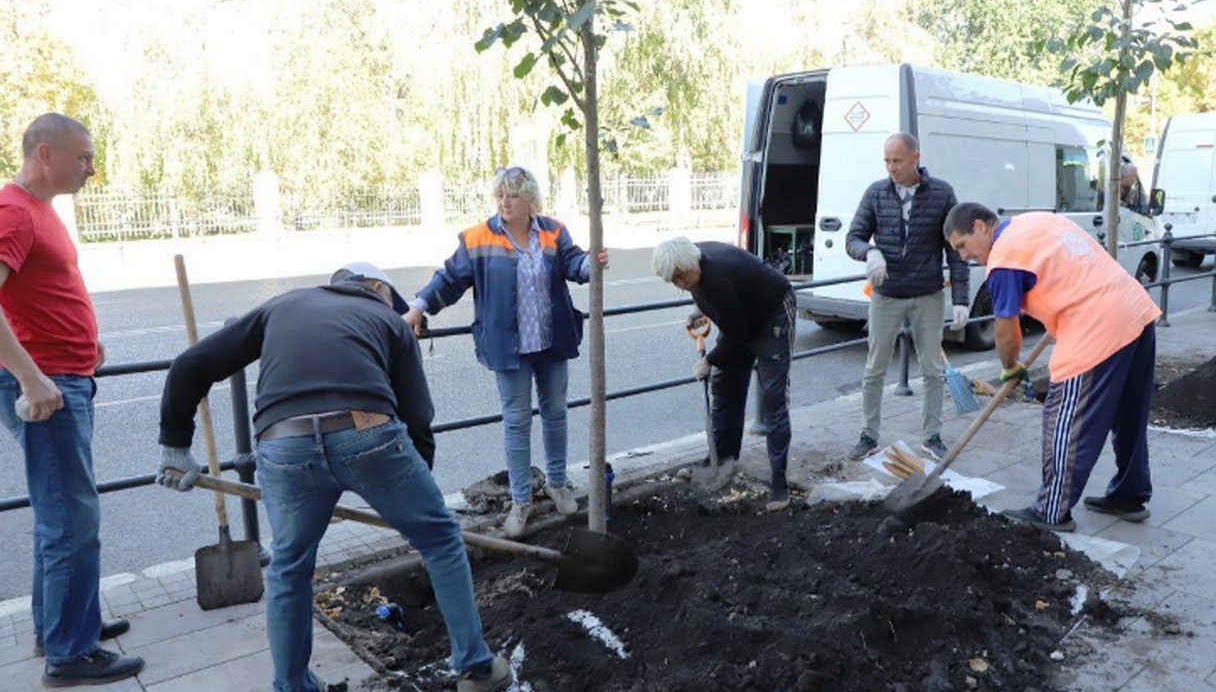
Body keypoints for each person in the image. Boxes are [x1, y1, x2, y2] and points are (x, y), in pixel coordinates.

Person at [156, 262, 510, 692]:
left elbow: (191, 364)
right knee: (439, 540)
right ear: (377, 288)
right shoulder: (388, 321)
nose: (393, 308)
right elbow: (417, 416)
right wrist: (415, 494)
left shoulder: (282, 305)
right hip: (369, 435)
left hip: (284, 444)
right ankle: (475, 667)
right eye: (390, 299)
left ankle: (292, 685)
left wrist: (175, 446)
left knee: (289, 567)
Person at [0, 114, 144, 686]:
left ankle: (62, 626)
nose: (91, 167)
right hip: (48, 386)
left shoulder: (39, 211)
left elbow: (38, 292)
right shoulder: (13, 210)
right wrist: (33, 378)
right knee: (72, 522)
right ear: (44, 152)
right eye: (82, 157)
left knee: (61, 516)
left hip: (65, 372)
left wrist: (86, 340)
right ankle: (69, 653)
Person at [402, 166, 606, 537]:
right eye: (499, 195)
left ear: (530, 198)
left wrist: (591, 264)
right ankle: (521, 499)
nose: (504, 202)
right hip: (508, 347)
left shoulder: (553, 231)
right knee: (516, 421)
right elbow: (449, 279)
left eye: (512, 195)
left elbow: (573, 262)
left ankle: (557, 483)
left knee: (556, 412)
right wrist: (419, 306)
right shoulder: (477, 238)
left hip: (551, 340)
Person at [943, 203, 1160, 532]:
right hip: (1134, 309)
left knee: (1064, 418)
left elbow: (1006, 331)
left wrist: (1010, 368)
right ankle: (1129, 495)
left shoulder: (1004, 258)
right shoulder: (1036, 221)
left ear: (981, 227)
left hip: (1097, 327)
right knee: (1128, 413)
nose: (963, 256)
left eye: (962, 245)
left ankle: (1051, 510)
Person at [845, 132, 970, 458]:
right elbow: (853, 237)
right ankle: (868, 435)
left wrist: (961, 298)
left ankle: (932, 437)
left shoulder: (942, 193)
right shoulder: (876, 192)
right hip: (886, 295)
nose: (891, 167)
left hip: (928, 295)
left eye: (897, 160)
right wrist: (869, 252)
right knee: (874, 369)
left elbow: (955, 250)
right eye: (886, 161)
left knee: (932, 369)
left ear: (916, 157)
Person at [651, 237, 795, 512]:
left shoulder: (717, 278)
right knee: (726, 385)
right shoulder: (693, 262)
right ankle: (722, 461)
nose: (680, 284)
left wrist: (709, 361)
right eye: (673, 281)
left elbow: (736, 336)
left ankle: (779, 484)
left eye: (681, 277)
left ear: (691, 264)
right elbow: (710, 297)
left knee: (773, 400)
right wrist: (700, 310)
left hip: (773, 313)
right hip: (742, 315)